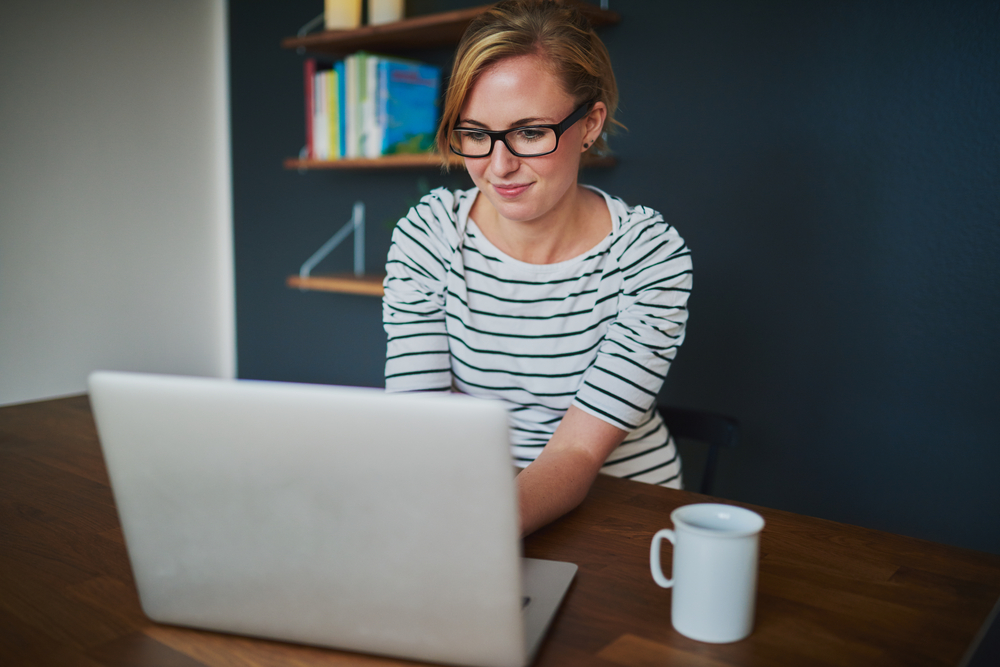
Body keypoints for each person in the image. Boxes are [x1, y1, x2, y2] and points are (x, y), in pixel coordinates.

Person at [382, 0, 692, 536]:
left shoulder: (649, 256)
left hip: (625, 518)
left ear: (590, 123)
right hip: (476, 506)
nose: (498, 166)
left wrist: (471, 536)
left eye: (528, 132)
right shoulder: (429, 235)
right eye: (476, 133)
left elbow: (573, 452)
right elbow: (422, 428)